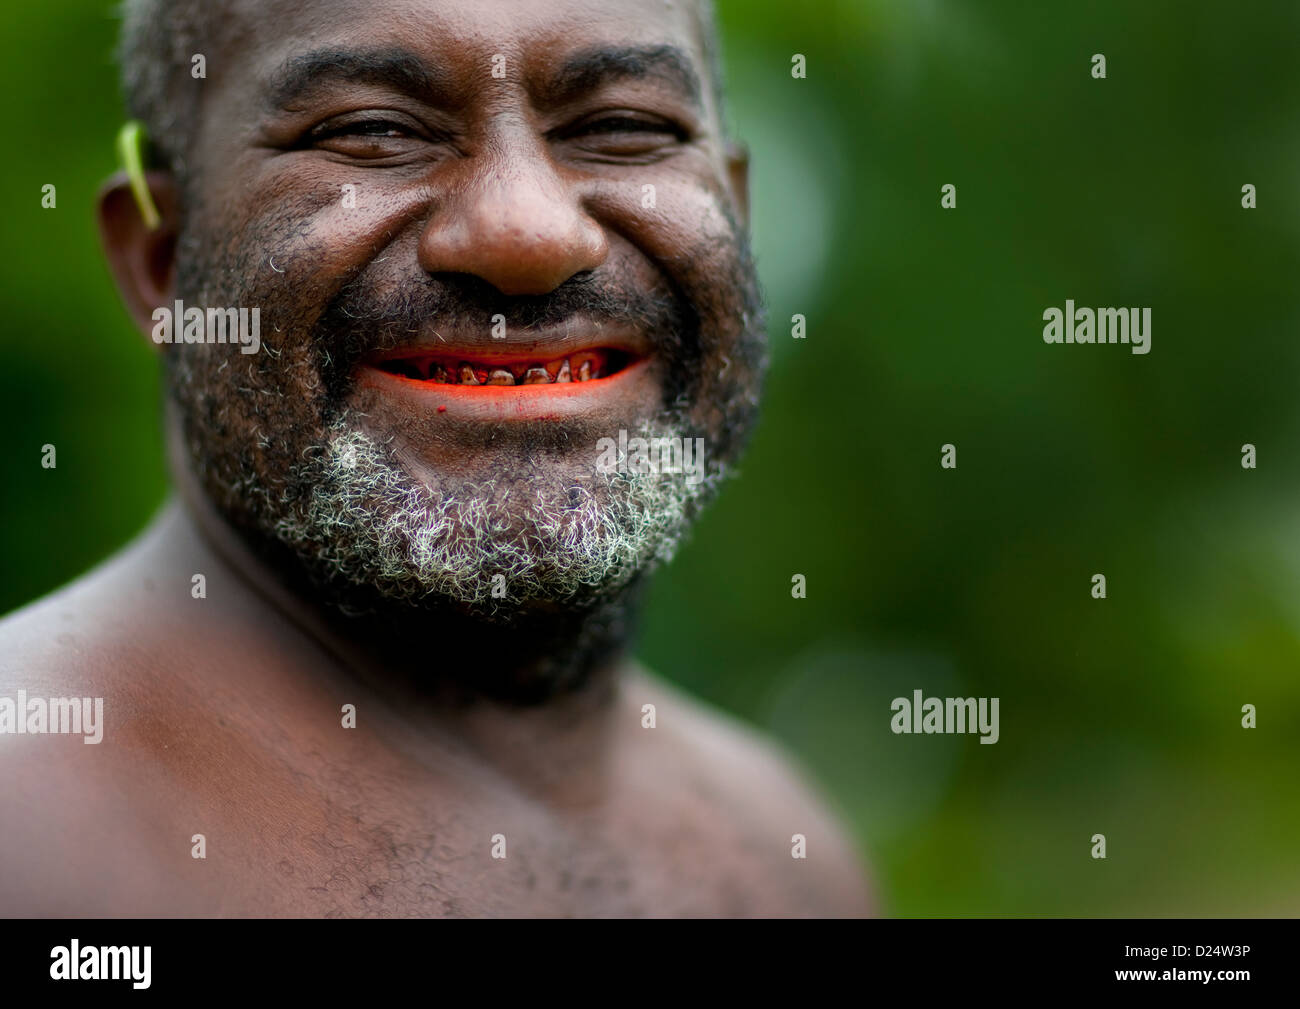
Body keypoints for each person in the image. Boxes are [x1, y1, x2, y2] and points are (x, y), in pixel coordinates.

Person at [0, 0, 871, 917]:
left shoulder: (788, 857)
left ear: (735, 213)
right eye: (372, 131)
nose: (526, 236)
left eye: (623, 128)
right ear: (163, 263)